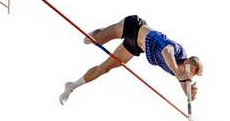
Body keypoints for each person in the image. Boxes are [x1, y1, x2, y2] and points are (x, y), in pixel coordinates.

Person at [59, 15, 203, 105]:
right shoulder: (178, 52)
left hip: (134, 47)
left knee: (104, 69)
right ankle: (100, 33)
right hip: (134, 27)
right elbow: (167, 51)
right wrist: (179, 74)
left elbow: (183, 81)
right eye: (190, 71)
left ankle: (71, 86)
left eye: (192, 74)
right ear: (186, 62)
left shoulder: (178, 71)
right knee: (96, 40)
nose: (189, 74)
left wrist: (190, 94)